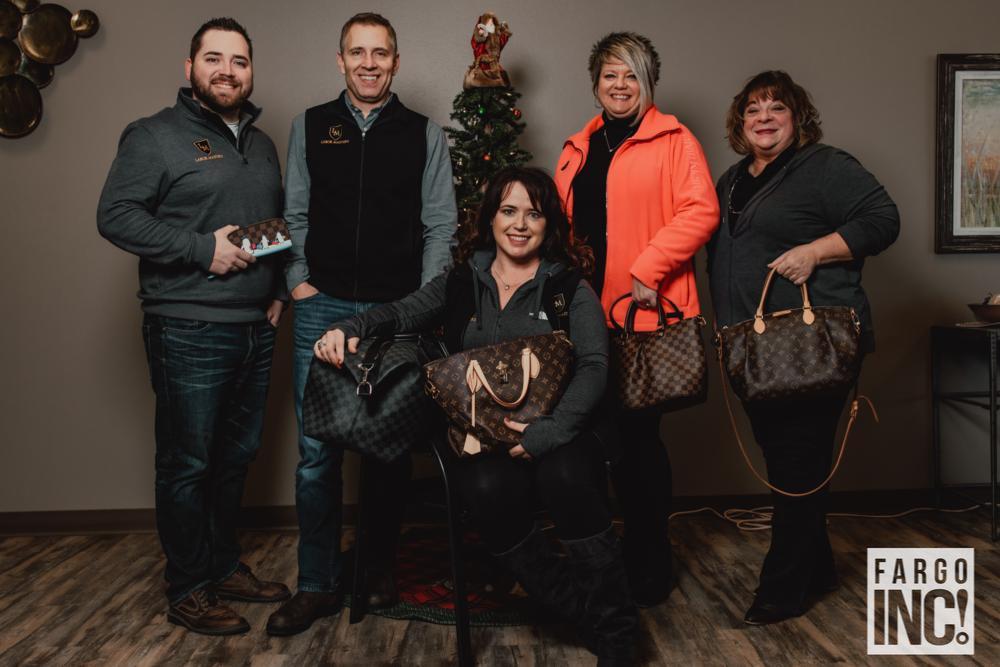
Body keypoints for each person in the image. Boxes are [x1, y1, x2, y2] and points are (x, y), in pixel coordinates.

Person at [316, 167, 637, 664]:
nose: (520, 224)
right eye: (508, 210)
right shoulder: (462, 280)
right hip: (479, 435)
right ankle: (579, 611)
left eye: (534, 213)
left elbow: (595, 365)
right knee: (486, 489)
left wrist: (550, 431)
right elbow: (401, 313)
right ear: (490, 219)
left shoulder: (568, 286)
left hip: (561, 426)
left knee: (569, 478)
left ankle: (617, 633)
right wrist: (348, 326)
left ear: (549, 224)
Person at [96, 17, 289, 636]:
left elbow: (268, 224)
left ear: (250, 71)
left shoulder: (259, 143)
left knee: (235, 459)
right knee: (188, 463)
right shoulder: (154, 136)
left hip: (255, 328)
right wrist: (200, 249)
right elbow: (115, 215)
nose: (226, 70)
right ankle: (187, 588)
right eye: (213, 58)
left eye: (238, 60)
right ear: (190, 69)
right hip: (187, 328)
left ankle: (223, 564)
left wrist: (278, 287)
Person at [266, 12, 457, 636]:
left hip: (394, 315)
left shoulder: (424, 135)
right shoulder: (310, 127)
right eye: (357, 52)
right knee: (316, 454)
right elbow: (291, 212)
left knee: (386, 450)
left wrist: (424, 300)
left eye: (381, 53)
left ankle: (378, 574)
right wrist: (297, 281)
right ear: (340, 60)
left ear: (396, 62)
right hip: (320, 307)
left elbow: (440, 228)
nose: (369, 63)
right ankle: (317, 584)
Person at [708, 70, 899, 625]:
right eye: (752, 110)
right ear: (740, 122)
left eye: (777, 108)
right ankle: (816, 567)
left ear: (798, 118)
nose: (764, 118)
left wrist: (816, 251)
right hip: (752, 347)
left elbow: (884, 220)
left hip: (814, 344)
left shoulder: (826, 167)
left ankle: (782, 589)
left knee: (796, 461)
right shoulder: (732, 179)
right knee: (789, 459)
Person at [553, 32, 720, 607]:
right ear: (595, 82)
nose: (619, 85)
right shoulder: (577, 147)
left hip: (639, 314)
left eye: (631, 75)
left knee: (638, 443)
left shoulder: (675, 140)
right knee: (590, 440)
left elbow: (702, 210)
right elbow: (560, 229)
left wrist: (650, 267)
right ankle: (606, 560)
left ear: (648, 82)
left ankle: (650, 562)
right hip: (582, 318)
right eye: (609, 75)